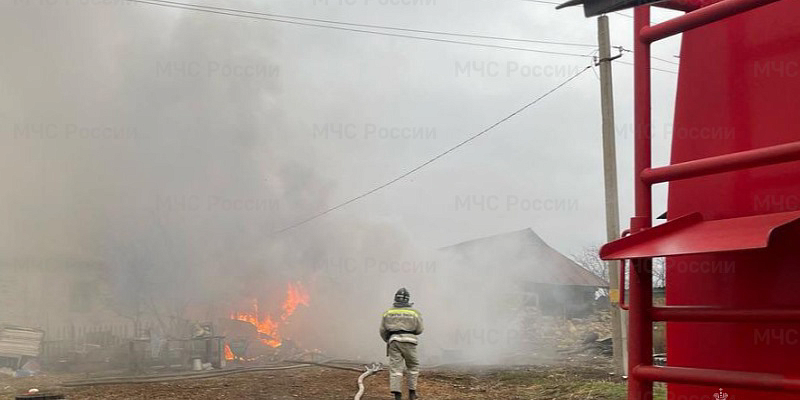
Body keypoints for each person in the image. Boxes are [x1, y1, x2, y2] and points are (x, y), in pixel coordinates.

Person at [379, 288, 424, 400]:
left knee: (395, 368)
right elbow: (420, 329)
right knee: (413, 366)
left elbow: (382, 330)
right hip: (410, 341)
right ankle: (412, 393)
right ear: (408, 300)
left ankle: (397, 395)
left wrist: (388, 340)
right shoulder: (415, 313)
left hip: (394, 341)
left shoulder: (388, 312)